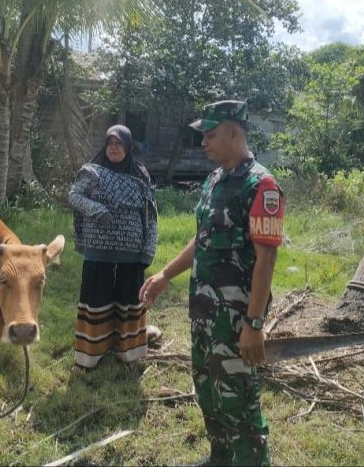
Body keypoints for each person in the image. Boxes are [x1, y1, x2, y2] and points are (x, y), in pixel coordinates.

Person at [140, 100, 284, 466]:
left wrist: (254, 325)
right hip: (204, 313)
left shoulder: (261, 186)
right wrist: (165, 274)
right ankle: (221, 457)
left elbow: (266, 258)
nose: (203, 141)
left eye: (211, 134)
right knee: (208, 389)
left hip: (236, 318)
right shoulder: (215, 180)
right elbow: (202, 238)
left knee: (238, 398)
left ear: (234, 132)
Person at [68, 125, 158, 369]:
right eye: (110, 143)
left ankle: (128, 353)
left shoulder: (140, 176)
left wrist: (148, 249)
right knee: (96, 301)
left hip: (132, 255)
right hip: (99, 253)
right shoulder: (92, 172)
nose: (114, 148)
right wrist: (97, 210)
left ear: (128, 147)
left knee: (129, 303)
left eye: (119, 143)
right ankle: (91, 355)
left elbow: (150, 215)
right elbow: (74, 197)